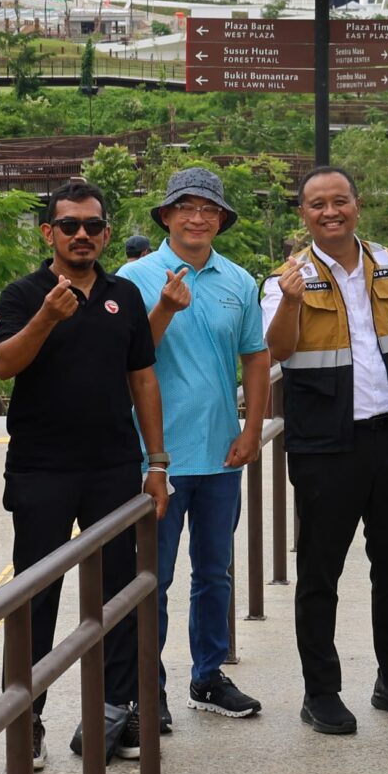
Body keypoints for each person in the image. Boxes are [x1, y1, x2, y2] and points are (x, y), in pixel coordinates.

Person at [0, 180, 171, 769]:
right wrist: (46, 316)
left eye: (93, 226)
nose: (82, 235)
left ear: (107, 234)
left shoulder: (122, 295)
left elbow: (142, 378)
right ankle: (27, 716)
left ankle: (114, 712)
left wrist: (158, 463)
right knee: (35, 595)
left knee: (118, 594)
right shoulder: (24, 294)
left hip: (114, 466)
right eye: (69, 225)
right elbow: (6, 363)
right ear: (49, 233)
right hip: (43, 467)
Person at [262, 165, 388, 734]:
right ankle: (321, 692)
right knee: (320, 572)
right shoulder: (284, 279)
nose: (330, 211)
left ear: (357, 204)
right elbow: (276, 353)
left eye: (339, 200)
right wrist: (291, 302)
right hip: (324, 447)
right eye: (317, 204)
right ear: (304, 214)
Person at [120, 168, 269, 721]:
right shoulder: (134, 278)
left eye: (208, 209)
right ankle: (145, 686)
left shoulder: (238, 281)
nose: (197, 217)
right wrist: (164, 308)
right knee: (151, 578)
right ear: (165, 216)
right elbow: (131, 357)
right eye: (185, 207)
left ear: (222, 220)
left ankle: (207, 675)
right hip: (154, 458)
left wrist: (252, 428)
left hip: (221, 454)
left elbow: (255, 356)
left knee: (215, 572)